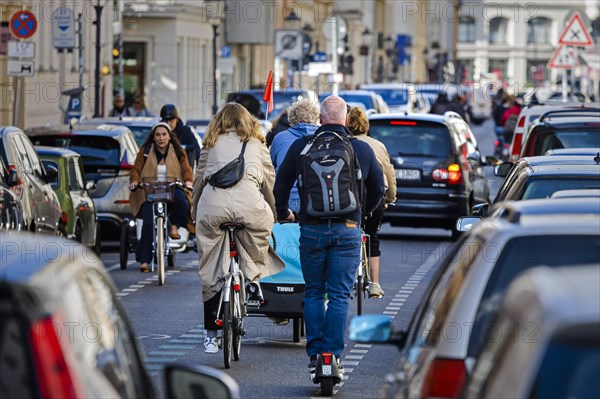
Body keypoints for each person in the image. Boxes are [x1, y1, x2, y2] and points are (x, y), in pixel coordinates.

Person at [274, 95, 384, 378]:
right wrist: (363, 214)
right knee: (338, 295)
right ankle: (332, 356)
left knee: (312, 292)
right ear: (346, 120)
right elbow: (379, 191)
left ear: (320, 120)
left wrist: (284, 212)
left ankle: (314, 358)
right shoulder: (361, 148)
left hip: (310, 228)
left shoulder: (301, 146)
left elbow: (281, 184)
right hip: (347, 229)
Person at [191, 103, 285, 354]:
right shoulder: (257, 144)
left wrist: (194, 212)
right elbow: (269, 183)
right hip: (250, 207)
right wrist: (273, 213)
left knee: (210, 269)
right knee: (257, 234)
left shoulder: (210, 142)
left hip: (213, 208)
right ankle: (252, 277)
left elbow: (199, 181)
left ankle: (210, 334)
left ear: (220, 120)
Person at [129, 122, 194, 273]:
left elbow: (186, 170)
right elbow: (136, 170)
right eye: (157, 135)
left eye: (164, 134)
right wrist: (134, 181)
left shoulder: (178, 151)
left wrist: (188, 181)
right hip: (149, 192)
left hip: (171, 189)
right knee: (147, 223)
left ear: (169, 136)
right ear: (153, 137)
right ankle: (144, 260)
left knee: (183, 203)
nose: (161, 138)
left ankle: (174, 225)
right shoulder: (145, 150)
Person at [346, 107, 396, 298]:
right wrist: (390, 197)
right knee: (372, 237)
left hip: (350, 201)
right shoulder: (378, 145)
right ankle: (375, 283)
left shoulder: (345, 144)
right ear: (367, 126)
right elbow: (388, 175)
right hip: (375, 200)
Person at [270, 98, 320, 213]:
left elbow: (270, 166)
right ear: (316, 117)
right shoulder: (322, 137)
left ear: (291, 117)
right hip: (315, 200)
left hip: (287, 200)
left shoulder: (280, 138)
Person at [160, 104, 201, 168]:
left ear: (177, 119)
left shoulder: (185, 132)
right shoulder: (157, 132)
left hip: (183, 170)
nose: (168, 123)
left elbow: (197, 151)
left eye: (171, 120)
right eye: (165, 120)